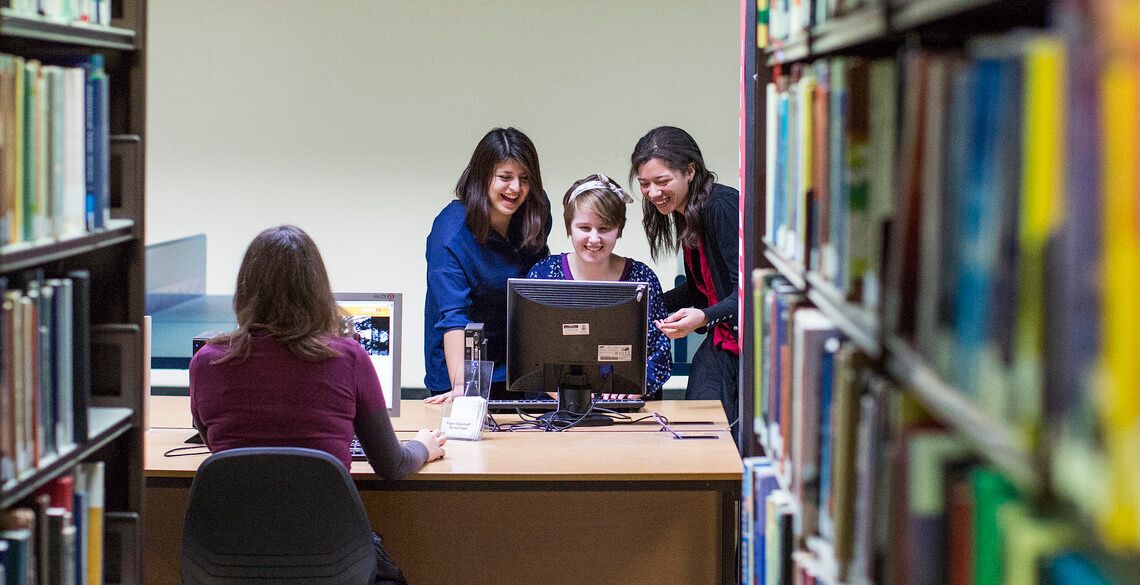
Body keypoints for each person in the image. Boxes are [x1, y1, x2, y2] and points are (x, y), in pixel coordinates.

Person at [190, 225, 445, 585]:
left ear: (245, 289)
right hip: (332, 565)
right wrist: (424, 446)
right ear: (317, 290)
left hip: (229, 562)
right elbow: (391, 464)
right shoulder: (348, 357)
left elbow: (216, 447)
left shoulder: (207, 363)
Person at [423, 127, 551, 403]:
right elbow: (454, 319)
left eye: (525, 179)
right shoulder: (450, 235)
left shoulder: (536, 214)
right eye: (505, 177)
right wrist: (461, 387)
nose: (516, 188)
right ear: (481, 178)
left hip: (521, 363)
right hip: (460, 367)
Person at [630, 126, 740, 433]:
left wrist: (703, 316)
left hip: (741, 346)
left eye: (662, 181)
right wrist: (636, 305)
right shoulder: (686, 214)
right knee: (699, 428)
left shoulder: (722, 205)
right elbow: (697, 290)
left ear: (690, 171)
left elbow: (744, 292)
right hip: (720, 341)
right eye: (644, 184)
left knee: (708, 432)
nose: (653, 193)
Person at [526, 173, 672, 399]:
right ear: (569, 228)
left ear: (619, 229)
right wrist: (562, 394)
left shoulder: (642, 278)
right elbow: (528, 349)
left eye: (604, 229)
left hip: (625, 410)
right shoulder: (543, 275)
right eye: (584, 228)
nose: (594, 239)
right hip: (554, 410)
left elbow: (660, 353)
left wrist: (634, 389)